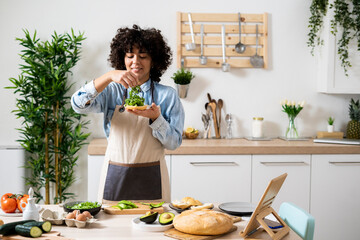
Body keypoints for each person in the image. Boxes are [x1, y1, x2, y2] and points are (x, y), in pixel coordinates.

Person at [71, 25, 185, 204]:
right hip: (115, 177)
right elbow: (78, 105)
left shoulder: (167, 95)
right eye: (130, 56)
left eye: (143, 56)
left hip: (152, 178)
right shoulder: (111, 91)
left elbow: (174, 143)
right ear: (122, 58)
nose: (135, 62)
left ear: (154, 60)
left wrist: (156, 118)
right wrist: (108, 76)